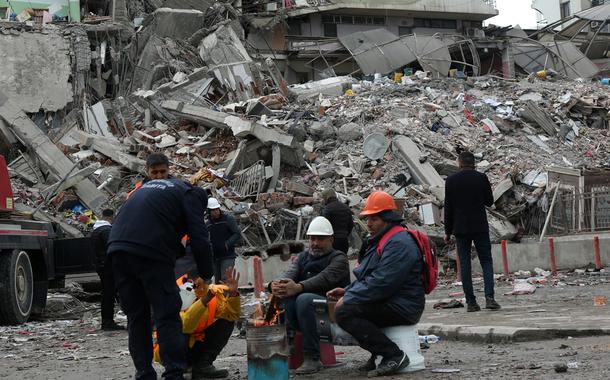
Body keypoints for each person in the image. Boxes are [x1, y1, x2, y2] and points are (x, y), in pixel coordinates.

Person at [108, 178, 214, 380]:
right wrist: (207, 274)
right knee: (167, 314)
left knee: (137, 316)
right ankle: (174, 373)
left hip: (118, 249)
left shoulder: (150, 190)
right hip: (150, 252)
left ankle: (144, 373)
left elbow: (156, 224)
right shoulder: (192, 195)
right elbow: (199, 238)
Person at [328, 191, 425, 377]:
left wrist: (349, 297)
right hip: (394, 300)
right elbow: (370, 277)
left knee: (345, 312)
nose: (369, 224)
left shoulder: (399, 243)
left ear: (387, 219)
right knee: (351, 306)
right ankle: (377, 354)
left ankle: (393, 355)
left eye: (374, 219)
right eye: (368, 218)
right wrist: (348, 290)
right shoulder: (385, 239)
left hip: (404, 306)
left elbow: (382, 283)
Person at [270, 216, 350, 375]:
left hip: (333, 308)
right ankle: (289, 340)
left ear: (331, 239)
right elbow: (290, 274)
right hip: (306, 311)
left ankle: (312, 357)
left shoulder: (339, 259)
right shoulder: (303, 257)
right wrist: (274, 285)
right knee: (285, 291)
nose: (315, 243)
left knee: (303, 298)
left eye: (321, 239)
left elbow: (324, 278)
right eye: (313, 239)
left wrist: (299, 287)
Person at [154, 267, 240, 379]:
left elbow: (231, 316)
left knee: (226, 323)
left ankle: (202, 366)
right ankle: (176, 368)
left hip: (194, 343)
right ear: (191, 281)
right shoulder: (176, 291)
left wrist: (233, 295)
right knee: (179, 332)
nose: (204, 285)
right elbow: (184, 325)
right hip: (169, 348)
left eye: (207, 281)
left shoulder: (210, 292)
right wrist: (204, 301)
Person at [444, 151, 501, 312]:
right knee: (486, 262)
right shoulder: (481, 178)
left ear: (459, 162)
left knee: (465, 264)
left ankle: (471, 303)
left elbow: (448, 208)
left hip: (460, 228)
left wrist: (447, 231)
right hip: (480, 226)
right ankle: (490, 298)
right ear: (473, 163)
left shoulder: (451, 180)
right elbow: (489, 201)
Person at [90, 208, 122, 330]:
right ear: (112, 217)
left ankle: (107, 321)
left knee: (107, 294)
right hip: (109, 267)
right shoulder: (106, 230)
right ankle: (108, 322)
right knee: (111, 294)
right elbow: (112, 248)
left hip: (101, 267)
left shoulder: (96, 230)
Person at [206, 197, 242, 283]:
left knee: (226, 280)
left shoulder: (228, 219)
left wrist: (227, 244)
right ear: (209, 211)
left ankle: (228, 297)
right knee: (218, 283)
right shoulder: (208, 224)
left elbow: (237, 234)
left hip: (228, 256)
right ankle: (220, 297)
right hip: (215, 257)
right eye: (213, 210)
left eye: (217, 209)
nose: (216, 211)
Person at [321, 189, 354, 254]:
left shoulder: (328, 208)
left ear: (326, 197)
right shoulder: (346, 207)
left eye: (323, 197)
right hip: (344, 241)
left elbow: (324, 226)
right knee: (342, 261)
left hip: (332, 242)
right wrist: (345, 234)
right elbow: (351, 224)